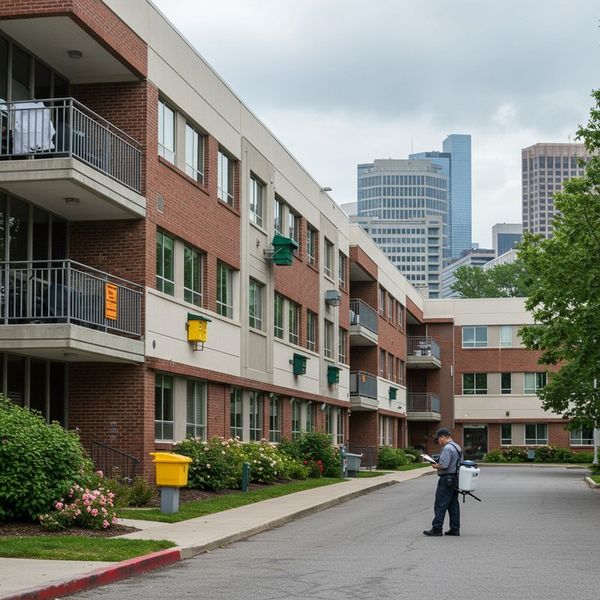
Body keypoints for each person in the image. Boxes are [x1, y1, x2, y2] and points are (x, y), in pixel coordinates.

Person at [423, 427, 462, 537]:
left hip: (446, 479)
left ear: (442, 437)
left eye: (438, 440)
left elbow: (444, 465)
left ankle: (437, 528)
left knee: (440, 504)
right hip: (455, 478)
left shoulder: (447, 448)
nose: (439, 442)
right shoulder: (457, 446)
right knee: (453, 505)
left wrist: (435, 465)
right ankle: (455, 528)